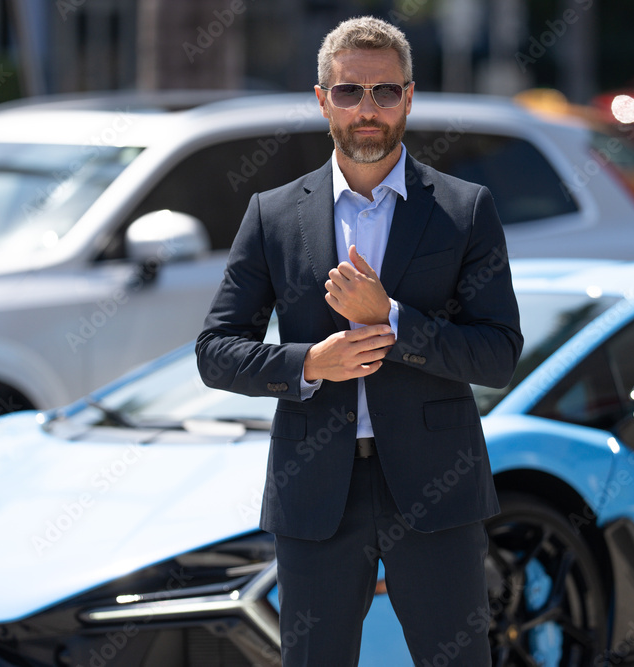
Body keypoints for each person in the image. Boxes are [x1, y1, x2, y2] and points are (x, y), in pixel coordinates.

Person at [196, 15, 523, 666]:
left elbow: (498, 353)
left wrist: (393, 321)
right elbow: (215, 350)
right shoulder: (273, 213)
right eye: (349, 92)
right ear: (322, 100)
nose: (366, 109)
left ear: (409, 96)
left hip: (439, 488)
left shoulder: (464, 210)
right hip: (316, 493)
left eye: (384, 92)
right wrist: (311, 362)